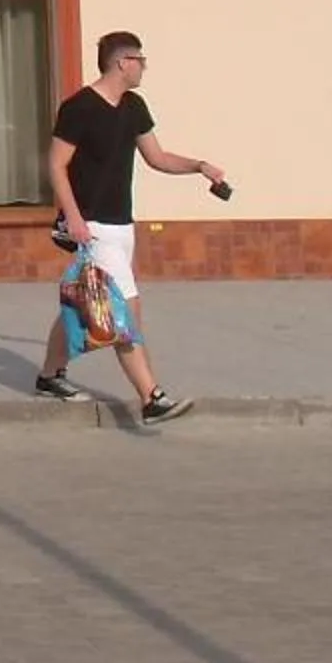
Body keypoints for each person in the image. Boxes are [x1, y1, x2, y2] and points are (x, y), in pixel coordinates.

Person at [34, 31, 224, 422]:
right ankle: (152, 398)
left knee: (82, 302)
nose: (144, 67)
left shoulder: (133, 106)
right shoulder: (79, 108)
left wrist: (200, 167)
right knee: (126, 313)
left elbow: (157, 157)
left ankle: (50, 375)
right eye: (141, 60)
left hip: (122, 225)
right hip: (92, 225)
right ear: (122, 62)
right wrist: (73, 218)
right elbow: (56, 165)